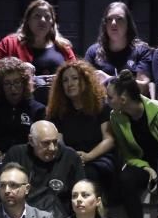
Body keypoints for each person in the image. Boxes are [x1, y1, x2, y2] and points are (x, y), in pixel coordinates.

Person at [107, 69, 158, 218]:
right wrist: (147, 169)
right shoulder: (116, 117)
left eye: (110, 97)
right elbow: (127, 153)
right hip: (144, 163)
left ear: (123, 99)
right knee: (125, 179)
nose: (106, 101)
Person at [45, 60, 115, 192]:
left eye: (75, 78)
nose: (69, 84)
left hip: (98, 157)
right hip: (70, 158)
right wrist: (70, 157)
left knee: (87, 173)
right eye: (65, 80)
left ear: (86, 80)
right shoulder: (58, 111)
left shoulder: (101, 106)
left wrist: (88, 156)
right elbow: (59, 141)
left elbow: (109, 140)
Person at [4, 120, 85, 218]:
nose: (52, 148)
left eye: (55, 142)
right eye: (46, 143)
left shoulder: (70, 156)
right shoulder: (16, 155)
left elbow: (82, 193)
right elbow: (4, 191)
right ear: (31, 140)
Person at [0, 0, 76, 81]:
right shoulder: (9, 43)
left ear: (52, 22)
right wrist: (18, 70)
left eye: (47, 17)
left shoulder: (64, 47)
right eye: (37, 16)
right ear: (28, 21)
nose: (42, 20)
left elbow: (77, 75)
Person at [0, 57, 46, 162]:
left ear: (24, 83)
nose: (13, 88)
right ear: (0, 86)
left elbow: (42, 144)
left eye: (17, 82)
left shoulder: (38, 110)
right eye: (7, 83)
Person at [83, 2, 153, 91]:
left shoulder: (141, 50)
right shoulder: (93, 51)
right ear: (105, 24)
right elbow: (84, 84)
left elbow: (143, 87)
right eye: (109, 19)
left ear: (128, 24)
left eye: (119, 19)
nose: (113, 23)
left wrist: (109, 79)